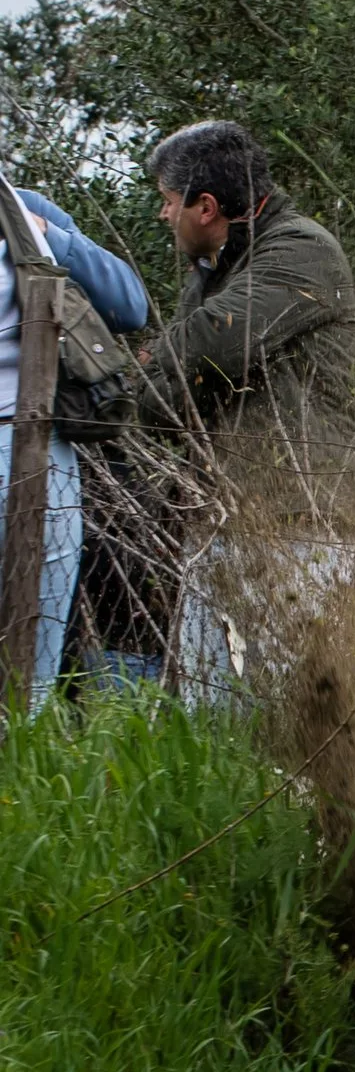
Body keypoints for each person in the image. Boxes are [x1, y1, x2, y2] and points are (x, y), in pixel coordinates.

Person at [139, 120, 355, 697]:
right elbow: (160, 404)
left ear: (207, 207)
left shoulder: (301, 248)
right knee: (207, 720)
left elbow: (216, 344)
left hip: (303, 525)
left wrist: (162, 358)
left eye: (168, 203)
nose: (163, 216)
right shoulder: (215, 275)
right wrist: (166, 369)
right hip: (222, 521)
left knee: (290, 715)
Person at [0, 177, 150, 702]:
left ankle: (20, 772)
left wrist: (51, 236)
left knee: (34, 673)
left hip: (34, 450)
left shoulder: (17, 207)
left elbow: (130, 305)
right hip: (32, 454)